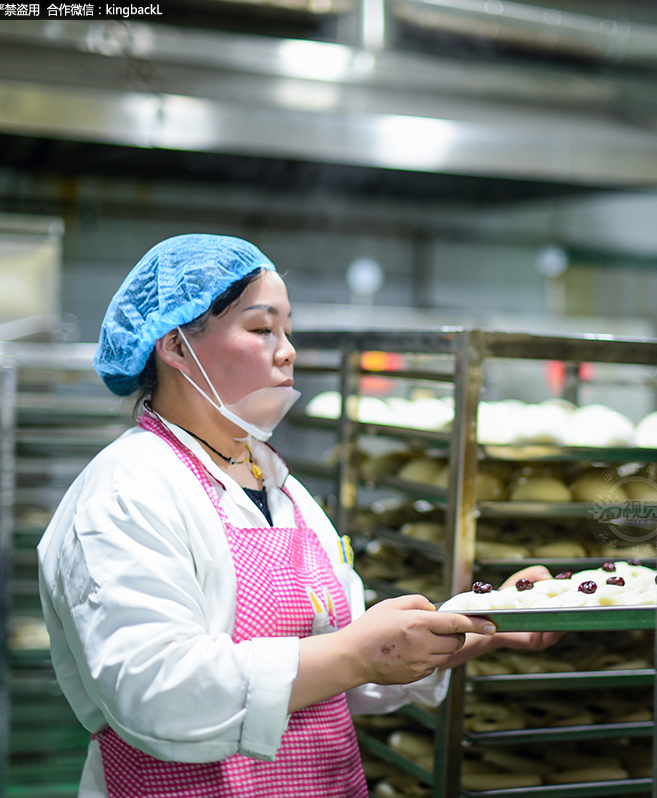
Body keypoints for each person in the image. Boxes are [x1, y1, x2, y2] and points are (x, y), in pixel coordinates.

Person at [38, 234, 559, 798]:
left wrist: (486, 621)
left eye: (288, 331)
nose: (287, 351)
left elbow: (347, 676)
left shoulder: (280, 489)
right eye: (262, 329)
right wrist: (356, 652)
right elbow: (157, 691)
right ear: (176, 346)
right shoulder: (129, 488)